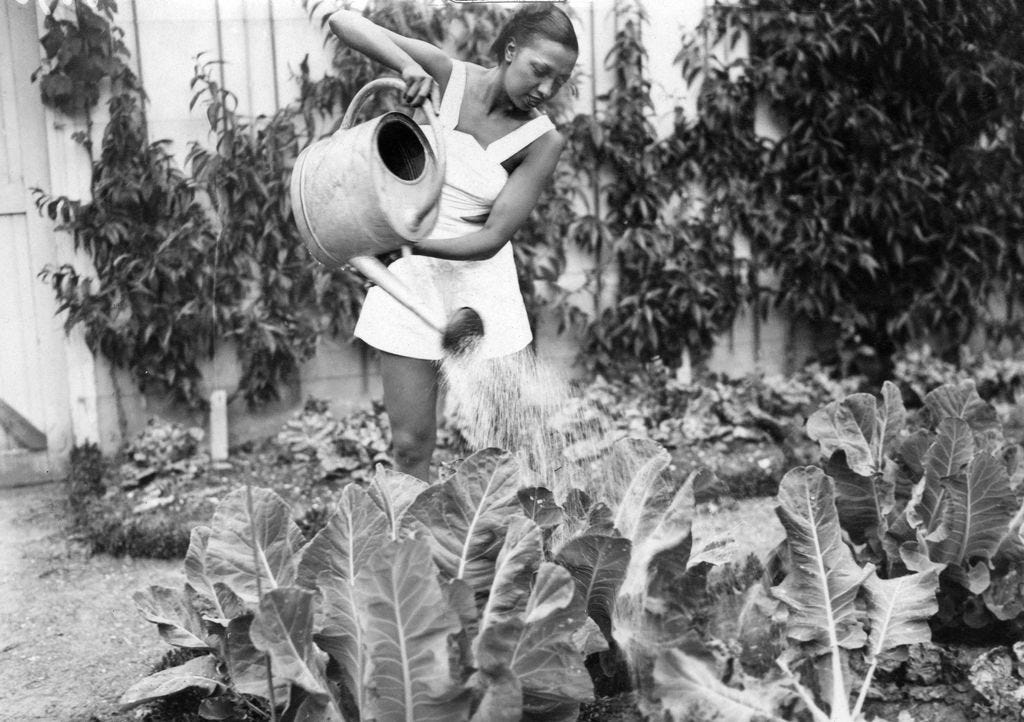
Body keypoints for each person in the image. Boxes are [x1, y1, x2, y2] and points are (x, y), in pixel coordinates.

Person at [329, 4, 579, 481]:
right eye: (539, 70)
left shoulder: (542, 141)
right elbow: (343, 22)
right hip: (410, 283)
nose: (546, 89)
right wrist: (407, 66)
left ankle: (507, 530)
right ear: (511, 50)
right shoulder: (446, 76)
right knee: (410, 445)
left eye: (559, 81)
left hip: (481, 293)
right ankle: (415, 530)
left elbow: (490, 238)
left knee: (508, 445)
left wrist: (407, 247)